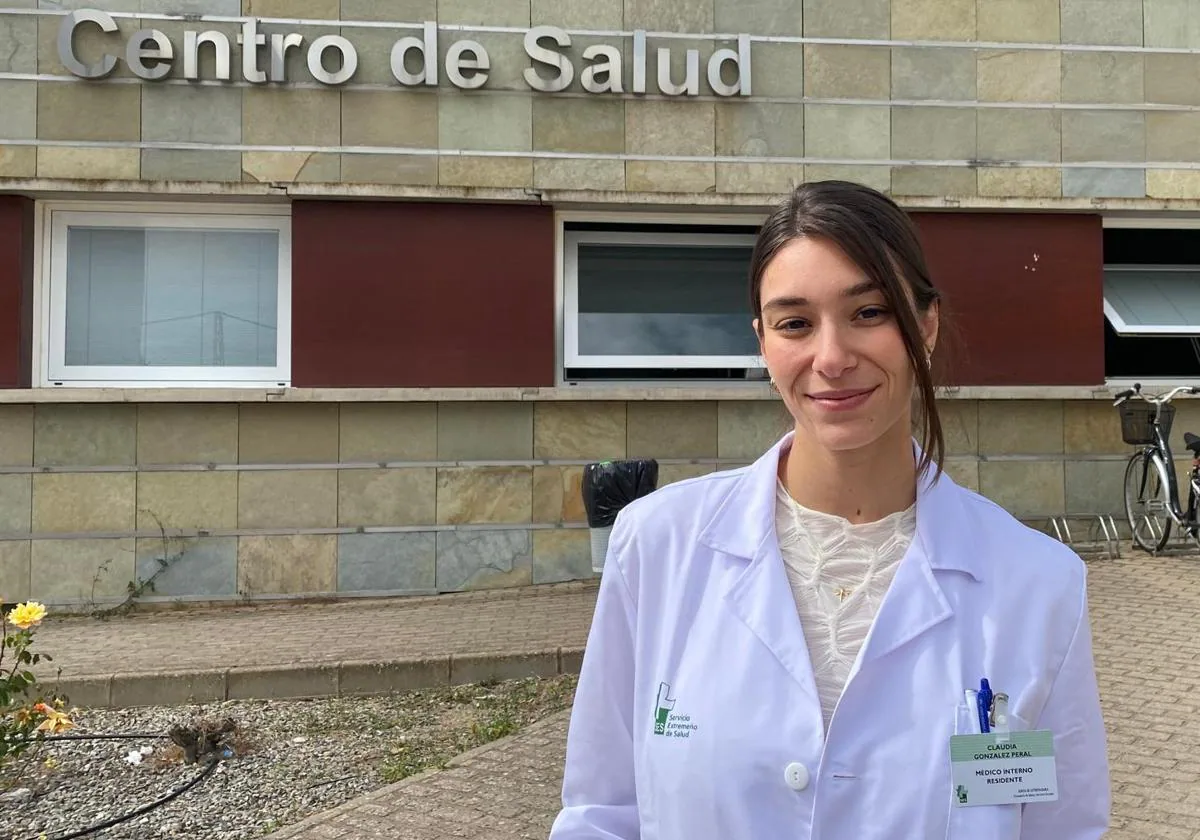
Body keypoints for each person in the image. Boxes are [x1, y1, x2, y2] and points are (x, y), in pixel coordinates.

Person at [548, 181, 1110, 839]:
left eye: (869, 312)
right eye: (795, 323)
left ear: (923, 327)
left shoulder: (1037, 584)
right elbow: (600, 814)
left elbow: (1061, 830)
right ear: (763, 343)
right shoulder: (658, 547)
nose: (833, 357)